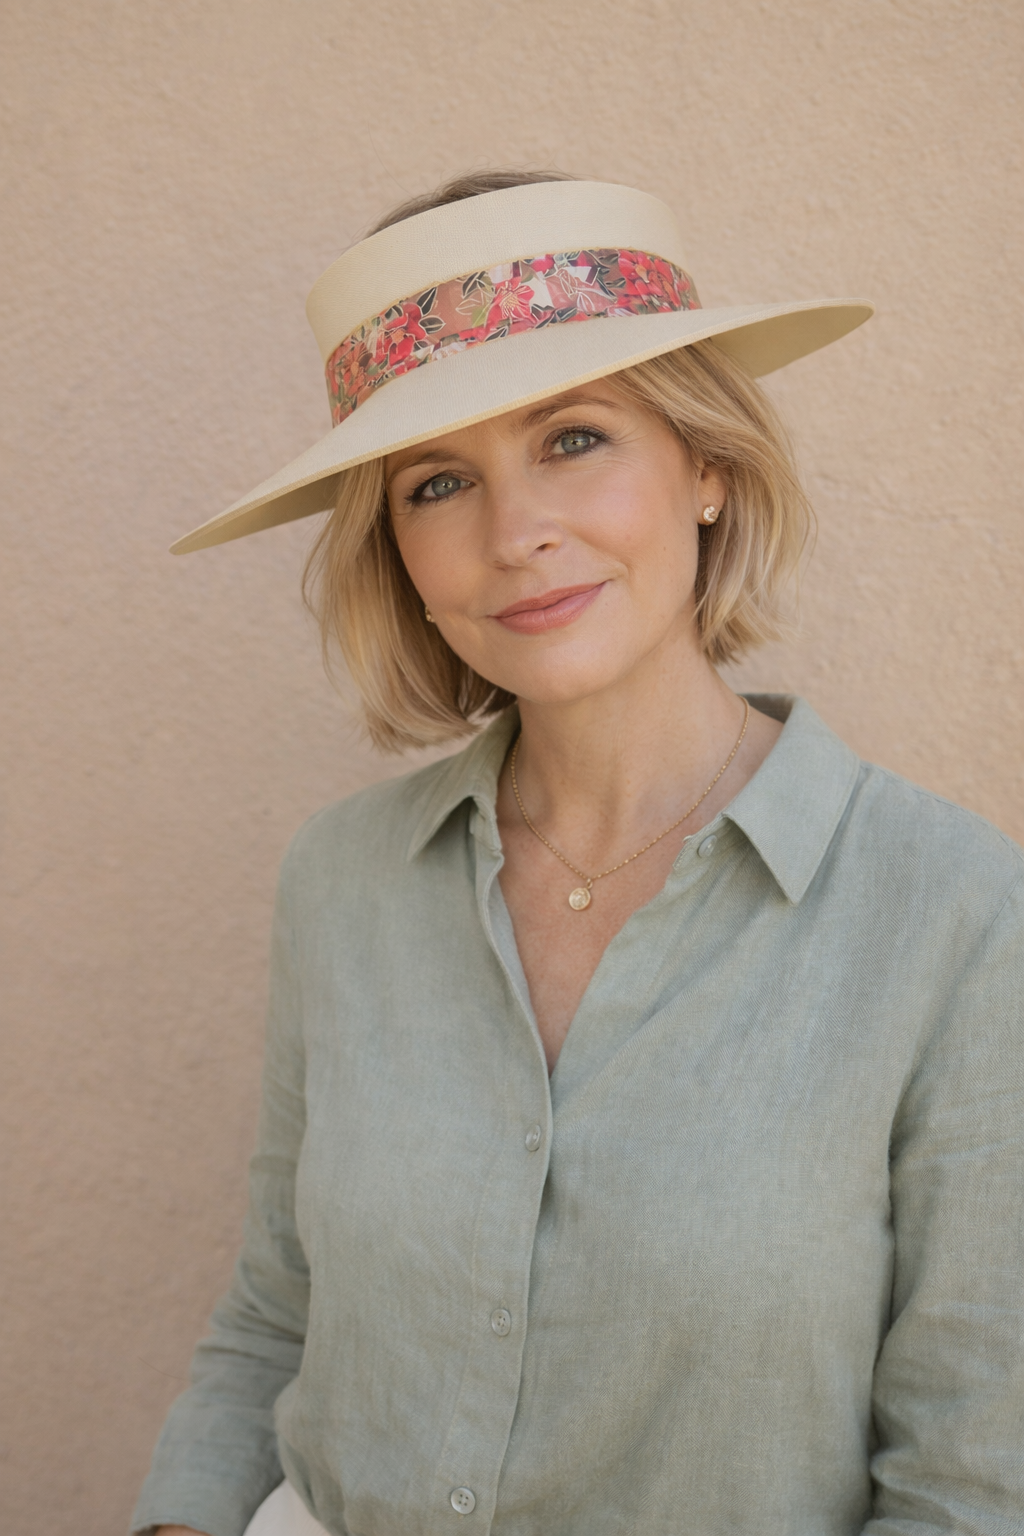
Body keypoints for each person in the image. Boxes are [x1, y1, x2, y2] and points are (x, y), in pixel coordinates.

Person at [133, 171, 1024, 1536]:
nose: (514, 535)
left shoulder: (956, 912)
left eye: (573, 441)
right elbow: (273, 1320)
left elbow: (971, 1481)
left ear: (707, 463)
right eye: (440, 481)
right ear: (401, 553)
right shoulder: (343, 881)